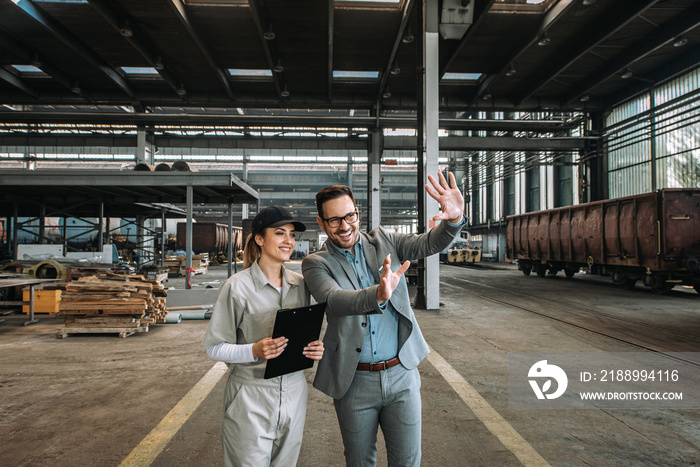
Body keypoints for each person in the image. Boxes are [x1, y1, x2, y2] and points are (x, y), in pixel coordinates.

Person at [302, 172, 466, 466]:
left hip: (401, 373)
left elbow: (427, 243)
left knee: (407, 461)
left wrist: (453, 221)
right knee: (360, 460)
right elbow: (334, 300)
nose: (345, 225)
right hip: (353, 381)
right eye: (334, 220)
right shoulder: (316, 263)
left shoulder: (384, 240)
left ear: (357, 213)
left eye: (349, 215)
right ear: (321, 223)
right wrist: (377, 295)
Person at [202, 206, 324, 467]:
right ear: (259, 238)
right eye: (280, 233)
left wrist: (315, 348)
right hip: (250, 395)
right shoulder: (236, 287)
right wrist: (253, 350)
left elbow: (303, 334)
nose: (288, 241)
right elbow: (214, 348)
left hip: (294, 392)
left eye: (291, 235)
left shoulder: (301, 284)